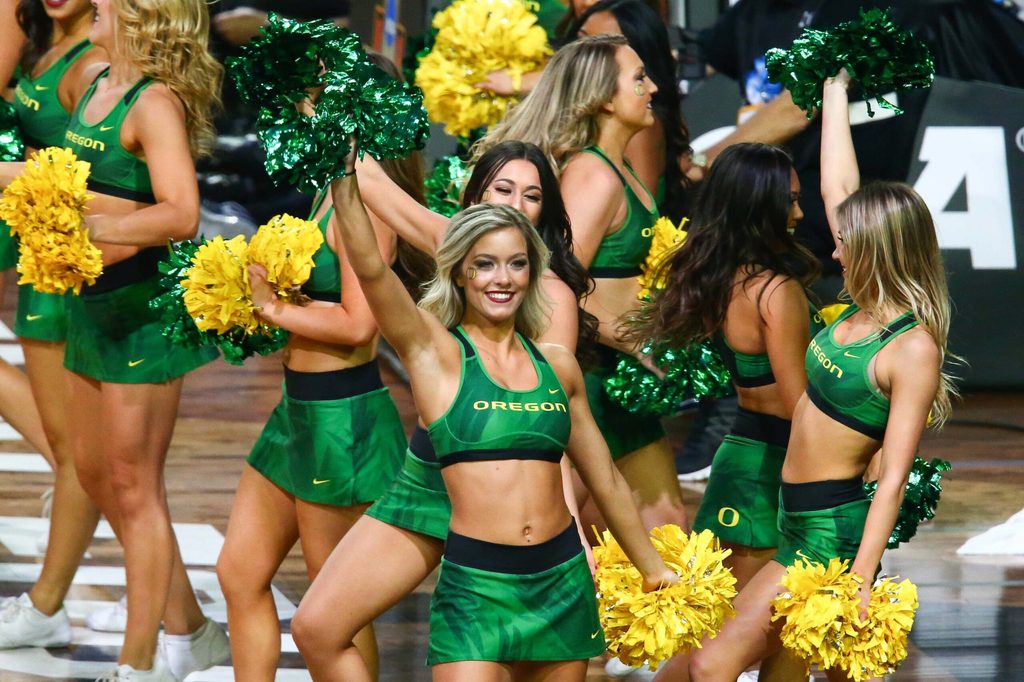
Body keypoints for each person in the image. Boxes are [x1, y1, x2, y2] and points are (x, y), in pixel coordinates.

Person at [309, 147, 677, 679]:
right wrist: (343, 180)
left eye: (515, 263)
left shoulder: (558, 366)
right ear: (459, 273)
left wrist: (652, 569)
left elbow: (609, 483)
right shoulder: (435, 354)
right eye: (483, 264)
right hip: (476, 588)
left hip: (560, 583)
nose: (500, 279)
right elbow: (370, 266)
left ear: (533, 271)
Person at [681, 69, 956, 682]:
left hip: (829, 536)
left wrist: (860, 577)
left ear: (879, 249)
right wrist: (833, 87)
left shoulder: (910, 347)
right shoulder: (861, 305)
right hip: (792, 517)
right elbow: (839, 185)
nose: (834, 250)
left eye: (847, 242)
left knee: (712, 665)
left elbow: (892, 478)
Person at [37, 0, 228, 678]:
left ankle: (141, 663)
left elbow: (182, 211)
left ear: (141, 15)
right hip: (90, 305)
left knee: (134, 487)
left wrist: (93, 234)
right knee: (92, 475)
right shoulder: (95, 86)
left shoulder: (155, 104)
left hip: (142, 313)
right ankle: (194, 629)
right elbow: (60, 183)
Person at [214, 55, 415, 681]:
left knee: (334, 613)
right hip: (296, 411)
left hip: (342, 422)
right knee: (239, 572)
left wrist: (271, 307)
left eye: (318, 93)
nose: (303, 102)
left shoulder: (371, 198)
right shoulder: (334, 185)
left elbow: (360, 325)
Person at [476, 34, 689, 535]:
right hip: (587, 375)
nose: (652, 86)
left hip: (615, 377)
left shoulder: (621, 164)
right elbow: (553, 282)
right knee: (616, 531)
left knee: (659, 524)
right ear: (604, 99)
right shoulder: (594, 175)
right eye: (638, 78)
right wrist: (626, 334)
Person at [0, 0, 110, 652]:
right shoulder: (49, 50)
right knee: (87, 463)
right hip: (42, 258)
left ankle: (47, 603)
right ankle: (182, 611)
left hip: (69, 265)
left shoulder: (89, 65)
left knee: (86, 462)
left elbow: (93, 176)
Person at [570, 0, 695, 222]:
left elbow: (642, 227)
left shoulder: (640, 126)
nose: (583, 57)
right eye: (581, 40)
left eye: (600, 49)